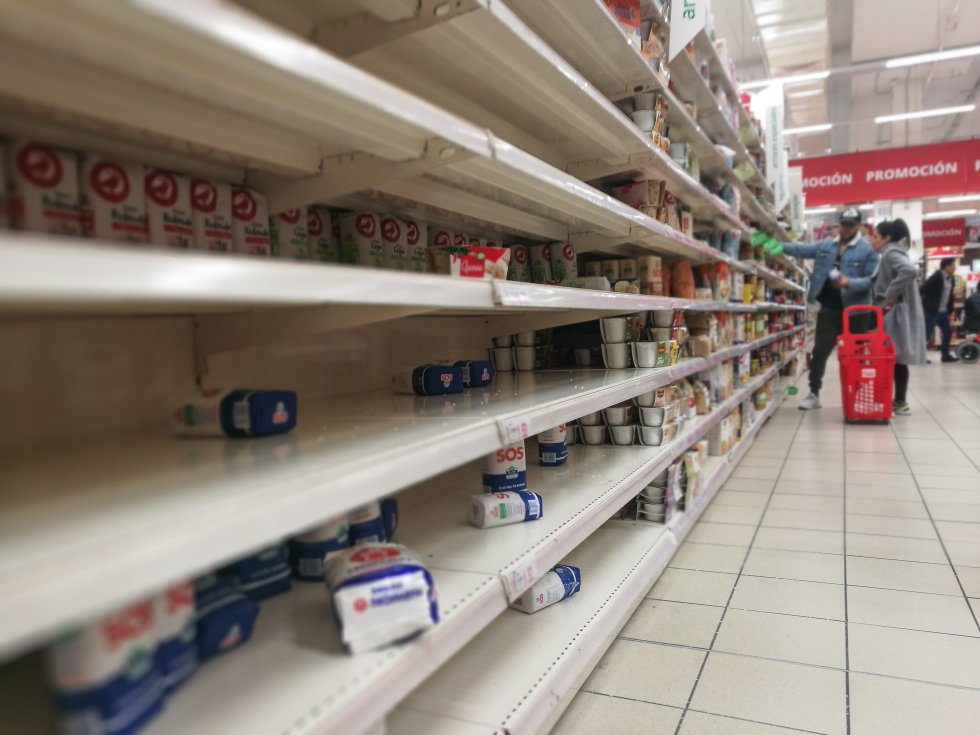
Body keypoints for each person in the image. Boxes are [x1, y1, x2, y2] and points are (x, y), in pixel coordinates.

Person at [782, 207, 880, 410]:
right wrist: (769, 244)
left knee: (857, 355)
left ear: (859, 226)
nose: (846, 229)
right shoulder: (827, 244)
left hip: (857, 312)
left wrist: (848, 282)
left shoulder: (867, 250)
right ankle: (813, 393)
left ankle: (859, 393)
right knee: (820, 351)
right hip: (829, 308)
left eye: (851, 225)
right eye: (844, 224)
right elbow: (800, 250)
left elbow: (870, 281)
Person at [870, 219, 926, 416]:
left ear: (887, 238)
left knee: (891, 357)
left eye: (875, 236)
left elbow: (909, 270)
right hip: (898, 312)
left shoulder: (890, 252)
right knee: (897, 359)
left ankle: (892, 401)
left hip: (895, 314)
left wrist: (889, 296)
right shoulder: (891, 252)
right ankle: (899, 401)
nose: (872, 240)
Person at [920, 257, 959, 362]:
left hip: (943, 312)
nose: (955, 267)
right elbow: (923, 289)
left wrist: (950, 308)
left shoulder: (952, 279)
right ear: (947, 266)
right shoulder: (936, 277)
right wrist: (926, 304)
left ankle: (945, 355)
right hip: (932, 311)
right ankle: (921, 357)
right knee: (926, 334)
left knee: (948, 331)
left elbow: (950, 295)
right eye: (953, 265)